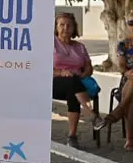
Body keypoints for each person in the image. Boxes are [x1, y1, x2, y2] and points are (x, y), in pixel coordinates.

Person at [52, 11, 104, 147]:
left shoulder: (80, 47)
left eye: (69, 25)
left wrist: (86, 72)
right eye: (61, 25)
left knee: (73, 87)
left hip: (75, 85)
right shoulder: (50, 44)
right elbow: (41, 68)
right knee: (72, 81)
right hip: (53, 82)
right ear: (56, 27)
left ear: (74, 28)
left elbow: (89, 67)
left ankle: (72, 136)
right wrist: (60, 72)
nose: (65, 28)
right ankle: (91, 114)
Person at [97, 11, 133, 149]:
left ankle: (119, 111)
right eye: (131, 23)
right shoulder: (123, 45)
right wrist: (127, 72)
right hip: (128, 81)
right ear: (128, 25)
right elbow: (121, 66)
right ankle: (130, 139)